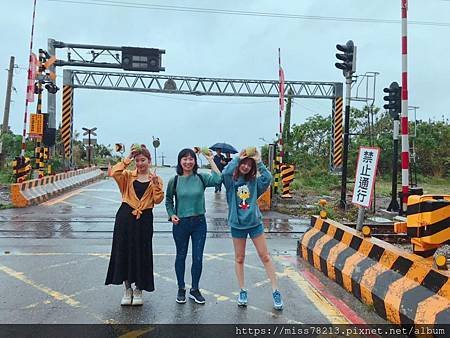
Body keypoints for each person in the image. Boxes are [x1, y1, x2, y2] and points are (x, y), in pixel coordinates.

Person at [222, 148, 283, 310]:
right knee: (239, 258)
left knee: (265, 257)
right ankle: (242, 290)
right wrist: (238, 158)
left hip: (255, 223)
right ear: (239, 164)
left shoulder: (255, 182)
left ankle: (275, 290)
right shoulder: (231, 182)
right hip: (237, 225)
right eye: (244, 164)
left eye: (249, 165)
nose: (246, 167)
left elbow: (268, 177)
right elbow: (226, 173)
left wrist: (259, 161)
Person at [105, 144, 164, 306]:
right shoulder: (128, 175)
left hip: (144, 219)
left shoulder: (155, 178)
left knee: (142, 254)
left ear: (149, 161)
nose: (140, 163)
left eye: (143, 160)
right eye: (137, 160)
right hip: (125, 218)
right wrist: (127, 159)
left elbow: (158, 200)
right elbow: (114, 172)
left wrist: (156, 184)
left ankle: (139, 289)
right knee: (123, 252)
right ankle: (127, 289)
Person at [165, 148, 221, 305]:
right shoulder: (174, 180)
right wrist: (171, 214)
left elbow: (218, 179)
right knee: (181, 256)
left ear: (195, 161)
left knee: (197, 258)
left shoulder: (201, 178)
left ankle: (195, 289)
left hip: (199, 224)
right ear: (180, 161)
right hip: (181, 224)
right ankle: (181, 288)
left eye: (191, 159)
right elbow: (169, 200)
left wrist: (211, 159)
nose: (188, 161)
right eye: (184, 159)